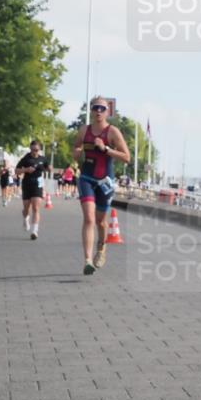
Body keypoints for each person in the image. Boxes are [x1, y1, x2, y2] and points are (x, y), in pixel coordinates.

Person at [73, 96, 130, 274]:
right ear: (90, 110)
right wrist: (77, 152)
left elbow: (127, 157)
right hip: (87, 178)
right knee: (89, 218)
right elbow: (75, 148)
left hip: (105, 180)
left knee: (101, 221)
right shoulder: (84, 130)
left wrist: (106, 149)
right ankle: (87, 260)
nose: (98, 111)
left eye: (102, 108)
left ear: (107, 112)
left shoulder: (112, 132)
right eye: (95, 108)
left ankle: (101, 247)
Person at [16, 140, 50, 239]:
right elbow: (16, 171)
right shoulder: (26, 158)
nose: (34, 152)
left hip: (37, 185)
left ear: (39, 149)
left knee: (36, 208)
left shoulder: (43, 159)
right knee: (26, 208)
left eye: (36, 150)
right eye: (32, 149)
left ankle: (34, 231)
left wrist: (50, 168)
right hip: (27, 184)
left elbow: (47, 168)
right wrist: (26, 170)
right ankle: (26, 218)